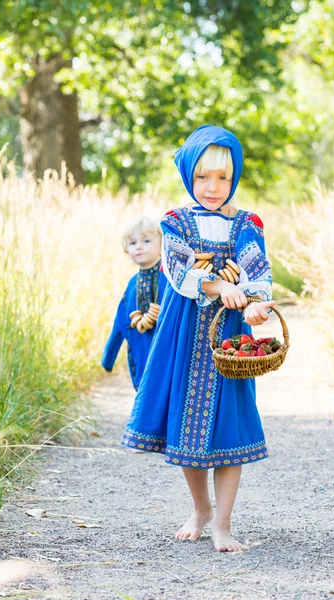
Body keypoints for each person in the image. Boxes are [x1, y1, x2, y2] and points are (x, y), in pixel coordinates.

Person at [122, 125, 275, 552]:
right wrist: (217, 286)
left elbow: (256, 269)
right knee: (186, 422)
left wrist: (256, 304)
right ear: (190, 174)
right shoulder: (176, 222)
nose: (213, 187)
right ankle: (200, 508)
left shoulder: (247, 223)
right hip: (186, 329)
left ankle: (222, 524)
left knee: (230, 424)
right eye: (204, 176)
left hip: (228, 333)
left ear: (235, 177)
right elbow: (176, 268)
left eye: (223, 177)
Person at [101, 216, 167, 391]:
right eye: (132, 243)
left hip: (167, 353)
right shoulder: (132, 284)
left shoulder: (171, 279)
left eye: (146, 241)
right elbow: (120, 321)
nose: (138, 247)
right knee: (144, 394)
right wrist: (108, 357)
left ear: (162, 245)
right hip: (140, 351)